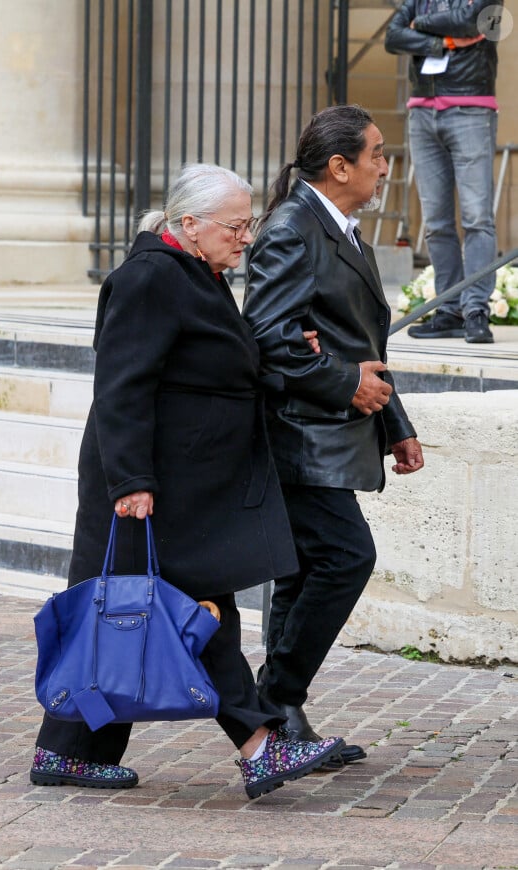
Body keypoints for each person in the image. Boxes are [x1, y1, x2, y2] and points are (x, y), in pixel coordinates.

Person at [29, 163, 346, 800]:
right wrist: (130, 482)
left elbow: (207, 366)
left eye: (248, 223)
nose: (246, 237)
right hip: (150, 484)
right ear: (190, 224)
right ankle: (259, 746)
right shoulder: (149, 278)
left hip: (185, 482)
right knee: (184, 612)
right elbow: (121, 386)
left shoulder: (194, 275)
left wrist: (272, 359)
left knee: (146, 612)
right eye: (236, 225)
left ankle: (64, 751)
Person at [242, 105, 425, 746]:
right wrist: (347, 383)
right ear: (339, 165)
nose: (383, 164)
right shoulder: (293, 229)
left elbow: (364, 342)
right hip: (298, 431)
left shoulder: (345, 233)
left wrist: (394, 422)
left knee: (304, 568)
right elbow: (268, 337)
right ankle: (277, 698)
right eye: (375, 153)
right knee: (348, 556)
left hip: (333, 428)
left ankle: (279, 718)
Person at [385, 0, 500, 344]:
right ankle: (449, 310)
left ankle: (476, 309)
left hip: (471, 108)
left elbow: (469, 21)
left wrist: (419, 25)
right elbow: (392, 37)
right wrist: (442, 43)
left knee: (477, 217)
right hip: (421, 111)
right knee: (435, 222)